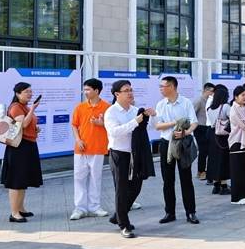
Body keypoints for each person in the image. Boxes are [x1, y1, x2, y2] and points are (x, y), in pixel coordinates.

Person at [104, 80, 155, 238]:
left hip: (135, 153)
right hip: (119, 154)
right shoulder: (111, 112)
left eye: (131, 90)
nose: (130, 93)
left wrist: (151, 116)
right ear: (117, 94)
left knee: (136, 187)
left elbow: (148, 128)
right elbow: (115, 132)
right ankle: (124, 225)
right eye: (126, 90)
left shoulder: (135, 110)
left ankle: (117, 216)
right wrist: (135, 122)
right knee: (122, 189)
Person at [154, 76, 199, 224]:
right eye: (160, 86)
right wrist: (175, 123)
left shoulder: (186, 102)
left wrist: (186, 132)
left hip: (182, 144)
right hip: (166, 144)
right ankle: (170, 212)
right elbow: (157, 126)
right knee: (167, 180)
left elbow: (194, 122)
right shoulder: (161, 104)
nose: (161, 89)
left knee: (186, 179)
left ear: (172, 87)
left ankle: (191, 212)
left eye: (163, 86)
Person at [1, 82, 43, 223]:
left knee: (23, 178)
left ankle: (20, 208)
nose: (30, 94)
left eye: (30, 91)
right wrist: (33, 109)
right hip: (19, 147)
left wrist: (35, 128)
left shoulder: (25, 107)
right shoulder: (16, 107)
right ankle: (14, 213)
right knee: (16, 180)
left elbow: (28, 124)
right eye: (26, 92)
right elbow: (23, 124)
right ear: (18, 94)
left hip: (28, 144)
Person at [69, 78, 110, 220]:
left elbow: (112, 126)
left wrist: (101, 123)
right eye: (84, 89)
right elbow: (74, 125)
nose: (85, 92)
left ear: (96, 91)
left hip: (98, 148)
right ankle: (80, 209)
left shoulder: (107, 107)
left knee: (95, 178)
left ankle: (95, 207)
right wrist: (78, 139)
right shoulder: (80, 107)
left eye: (88, 89)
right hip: (81, 149)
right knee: (79, 178)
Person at [208, 84, 233, 191]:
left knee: (214, 159)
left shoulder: (210, 108)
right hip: (223, 136)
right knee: (224, 159)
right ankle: (224, 185)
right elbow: (233, 119)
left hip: (213, 134)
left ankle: (216, 184)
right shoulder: (226, 107)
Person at [192, 82, 215, 181]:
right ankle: (201, 171)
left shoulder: (210, 101)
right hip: (200, 128)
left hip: (207, 127)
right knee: (203, 150)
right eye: (212, 91)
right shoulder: (199, 100)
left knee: (209, 150)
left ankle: (207, 171)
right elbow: (192, 115)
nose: (213, 93)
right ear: (206, 90)